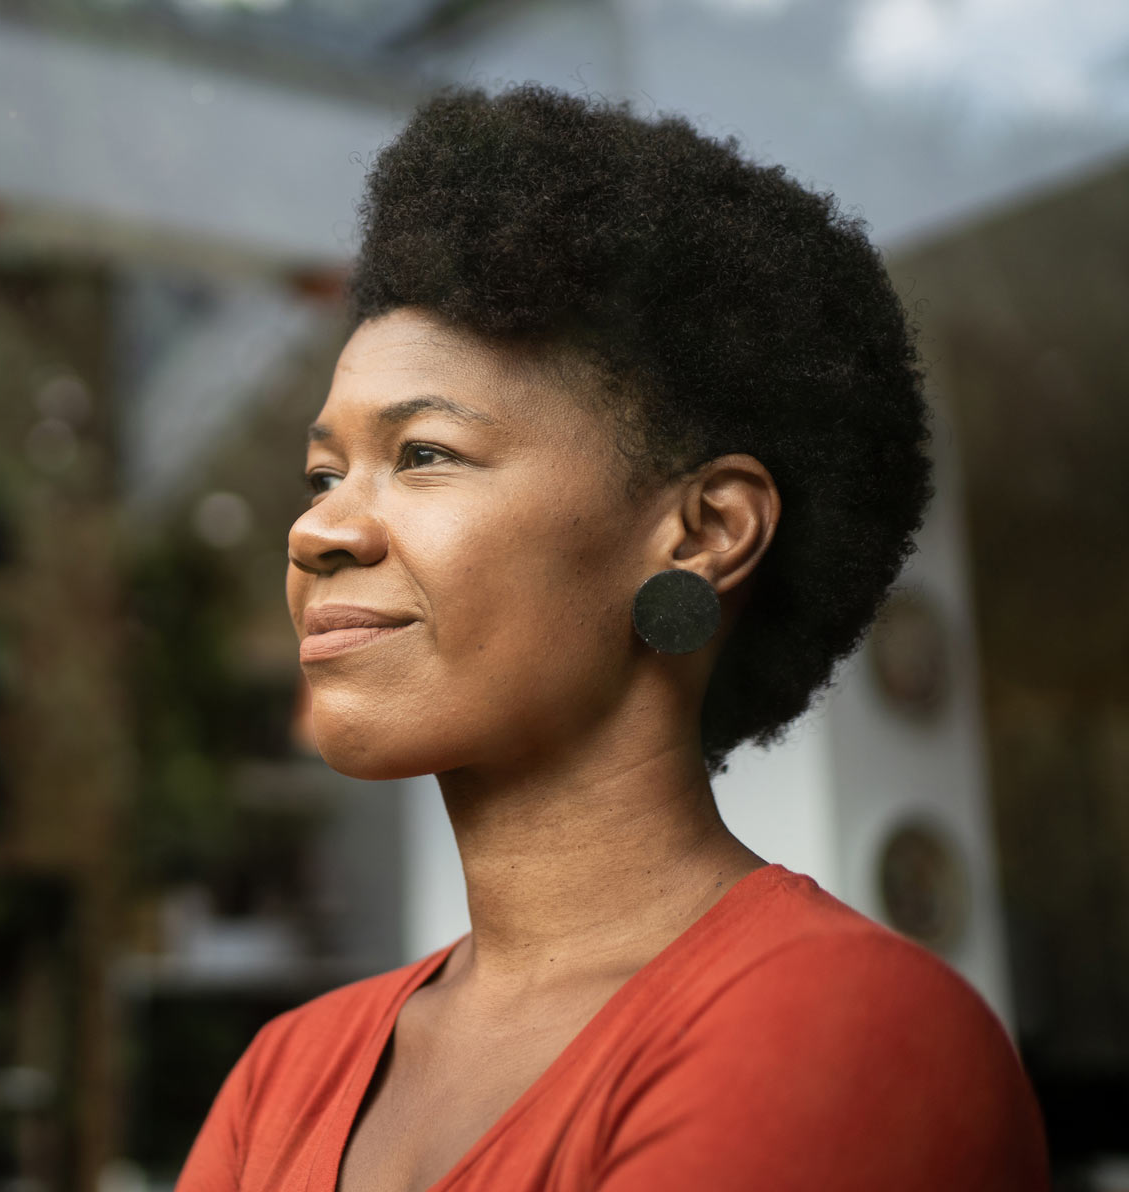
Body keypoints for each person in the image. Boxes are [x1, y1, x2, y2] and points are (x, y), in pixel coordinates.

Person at [177, 85, 1047, 1192]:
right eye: (320, 473)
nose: (317, 529)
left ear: (701, 530)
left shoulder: (838, 1028)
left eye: (426, 454)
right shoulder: (284, 1076)